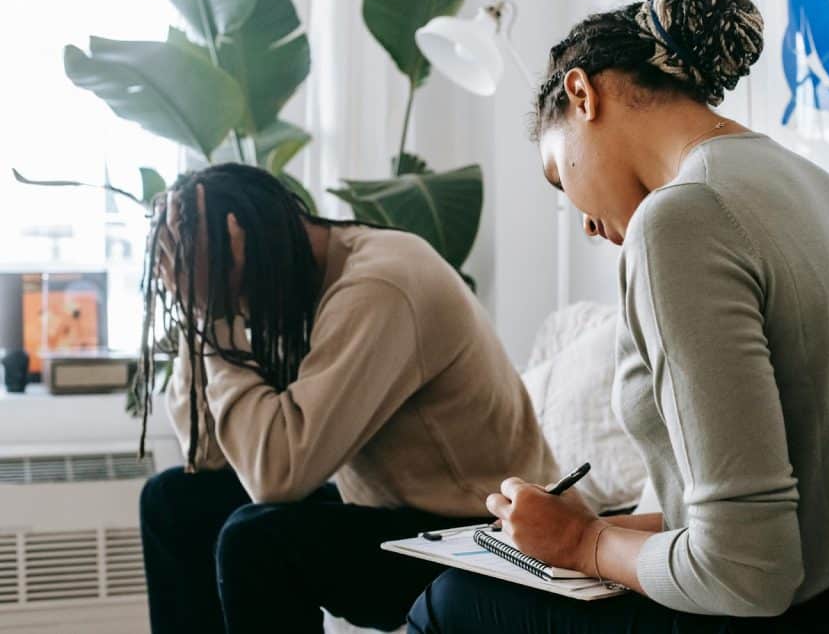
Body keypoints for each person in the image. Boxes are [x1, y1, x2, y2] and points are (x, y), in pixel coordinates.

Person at [407, 0, 829, 633]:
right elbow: (784, 499)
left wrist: (583, 546)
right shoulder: (816, 187)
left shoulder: (681, 218)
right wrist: (580, 527)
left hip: (803, 614)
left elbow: (746, 571)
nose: (581, 222)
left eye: (560, 178)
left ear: (581, 94)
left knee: (448, 605)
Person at [136, 163, 559, 633]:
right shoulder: (289, 290)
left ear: (254, 242)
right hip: (393, 517)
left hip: (485, 539)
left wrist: (215, 314)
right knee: (172, 499)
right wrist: (199, 316)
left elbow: (276, 479)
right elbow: (207, 455)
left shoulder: (379, 285)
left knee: (257, 540)